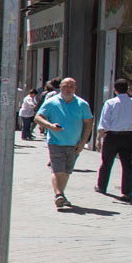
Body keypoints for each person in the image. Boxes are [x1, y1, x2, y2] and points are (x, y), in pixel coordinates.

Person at [33, 76, 94, 209]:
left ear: (75, 88)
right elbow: (38, 117)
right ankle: (58, 194)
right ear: (60, 87)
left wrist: (83, 142)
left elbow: (88, 123)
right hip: (55, 142)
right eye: (65, 86)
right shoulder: (52, 102)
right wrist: (50, 126)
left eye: (71, 86)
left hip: (74, 144)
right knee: (57, 169)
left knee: (67, 171)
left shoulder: (82, 104)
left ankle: (61, 195)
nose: (68, 89)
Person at [95, 77, 132, 203]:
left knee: (107, 163)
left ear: (115, 89)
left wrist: (98, 138)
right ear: (127, 89)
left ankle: (102, 186)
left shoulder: (110, 103)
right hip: (128, 136)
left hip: (112, 136)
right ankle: (127, 192)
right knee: (127, 164)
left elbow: (104, 123)